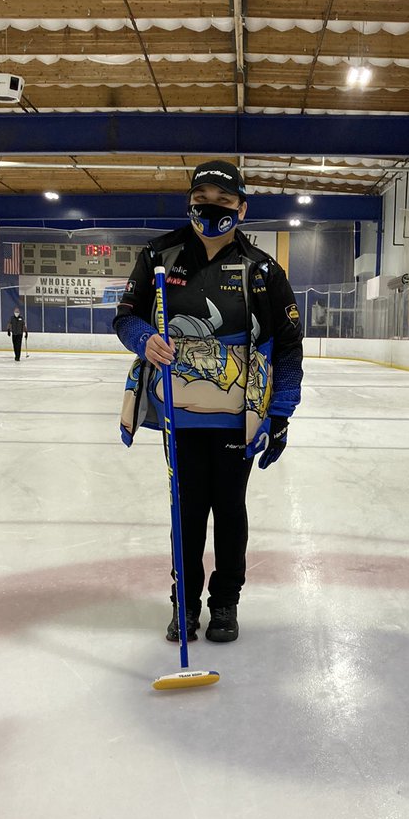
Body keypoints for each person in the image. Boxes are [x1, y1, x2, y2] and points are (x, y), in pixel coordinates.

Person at [114, 160, 303, 644]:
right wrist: (143, 340)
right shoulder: (161, 255)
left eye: (223, 201)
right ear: (190, 201)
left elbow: (287, 344)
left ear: (242, 207)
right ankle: (185, 605)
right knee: (187, 511)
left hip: (237, 418)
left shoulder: (262, 270)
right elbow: (126, 316)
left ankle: (224, 605)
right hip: (179, 413)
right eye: (203, 199)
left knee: (229, 510)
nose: (211, 208)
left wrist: (280, 414)